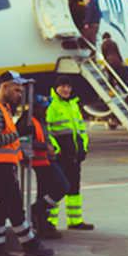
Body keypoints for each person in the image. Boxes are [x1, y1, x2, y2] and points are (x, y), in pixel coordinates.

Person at [0, 71, 54, 256]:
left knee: (15, 208)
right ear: (5, 86)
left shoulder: (4, 108)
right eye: (17, 90)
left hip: (6, 166)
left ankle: (30, 245)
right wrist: (19, 133)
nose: (20, 95)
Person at [47, 75, 95, 231]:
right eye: (63, 87)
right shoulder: (52, 106)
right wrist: (56, 149)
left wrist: (84, 148)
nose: (66, 90)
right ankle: (49, 222)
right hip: (60, 156)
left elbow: (82, 130)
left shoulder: (74, 107)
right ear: (56, 88)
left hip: (74, 157)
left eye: (68, 87)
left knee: (74, 188)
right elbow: (46, 131)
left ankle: (75, 221)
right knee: (56, 188)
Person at [25, 95, 69, 240]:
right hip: (40, 162)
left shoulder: (40, 121)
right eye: (41, 108)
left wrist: (53, 148)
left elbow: (44, 137)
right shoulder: (28, 122)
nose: (44, 111)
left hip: (46, 160)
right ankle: (35, 210)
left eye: (46, 108)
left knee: (43, 193)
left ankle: (42, 226)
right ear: (34, 108)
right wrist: (46, 147)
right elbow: (26, 142)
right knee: (62, 186)